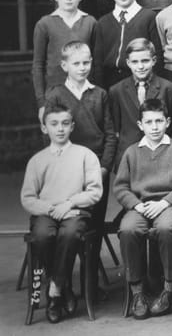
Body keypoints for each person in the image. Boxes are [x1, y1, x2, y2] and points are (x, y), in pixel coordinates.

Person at [20, 104, 103, 324]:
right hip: (46, 212)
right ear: (44, 128)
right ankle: (62, 285)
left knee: (70, 233)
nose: (60, 129)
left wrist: (69, 203)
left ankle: (54, 292)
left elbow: (95, 191)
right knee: (42, 234)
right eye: (54, 124)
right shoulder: (37, 160)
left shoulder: (85, 155)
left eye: (65, 124)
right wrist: (50, 209)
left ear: (72, 126)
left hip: (75, 211)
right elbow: (28, 197)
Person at [113, 98, 172, 319]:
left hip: (169, 204)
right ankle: (137, 292)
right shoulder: (131, 152)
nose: (155, 127)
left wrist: (164, 203)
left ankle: (169, 288)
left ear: (167, 122)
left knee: (167, 229)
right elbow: (120, 187)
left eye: (159, 121)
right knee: (128, 229)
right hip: (140, 206)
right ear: (140, 125)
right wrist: (137, 205)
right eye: (149, 122)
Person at [44, 41, 116, 287]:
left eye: (86, 62)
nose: (82, 67)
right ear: (65, 65)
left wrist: (104, 168)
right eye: (76, 63)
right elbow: (51, 137)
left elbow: (110, 135)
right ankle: (62, 285)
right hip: (66, 174)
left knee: (93, 229)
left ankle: (90, 285)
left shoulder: (99, 94)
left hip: (96, 173)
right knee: (69, 227)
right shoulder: (55, 95)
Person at [109, 38, 172, 164]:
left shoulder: (169, 89)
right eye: (135, 62)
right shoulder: (116, 91)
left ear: (154, 60)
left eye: (145, 61)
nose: (140, 66)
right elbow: (115, 130)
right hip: (129, 157)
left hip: (162, 156)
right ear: (128, 63)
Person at [32, 0, 97, 123]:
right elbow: (38, 65)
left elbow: (96, 63)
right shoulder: (45, 24)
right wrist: (41, 103)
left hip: (84, 96)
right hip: (54, 96)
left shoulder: (90, 22)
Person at [92, 0, 162, 89]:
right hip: (110, 82)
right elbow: (98, 62)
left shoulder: (148, 17)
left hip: (140, 80)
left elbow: (157, 56)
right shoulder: (103, 22)